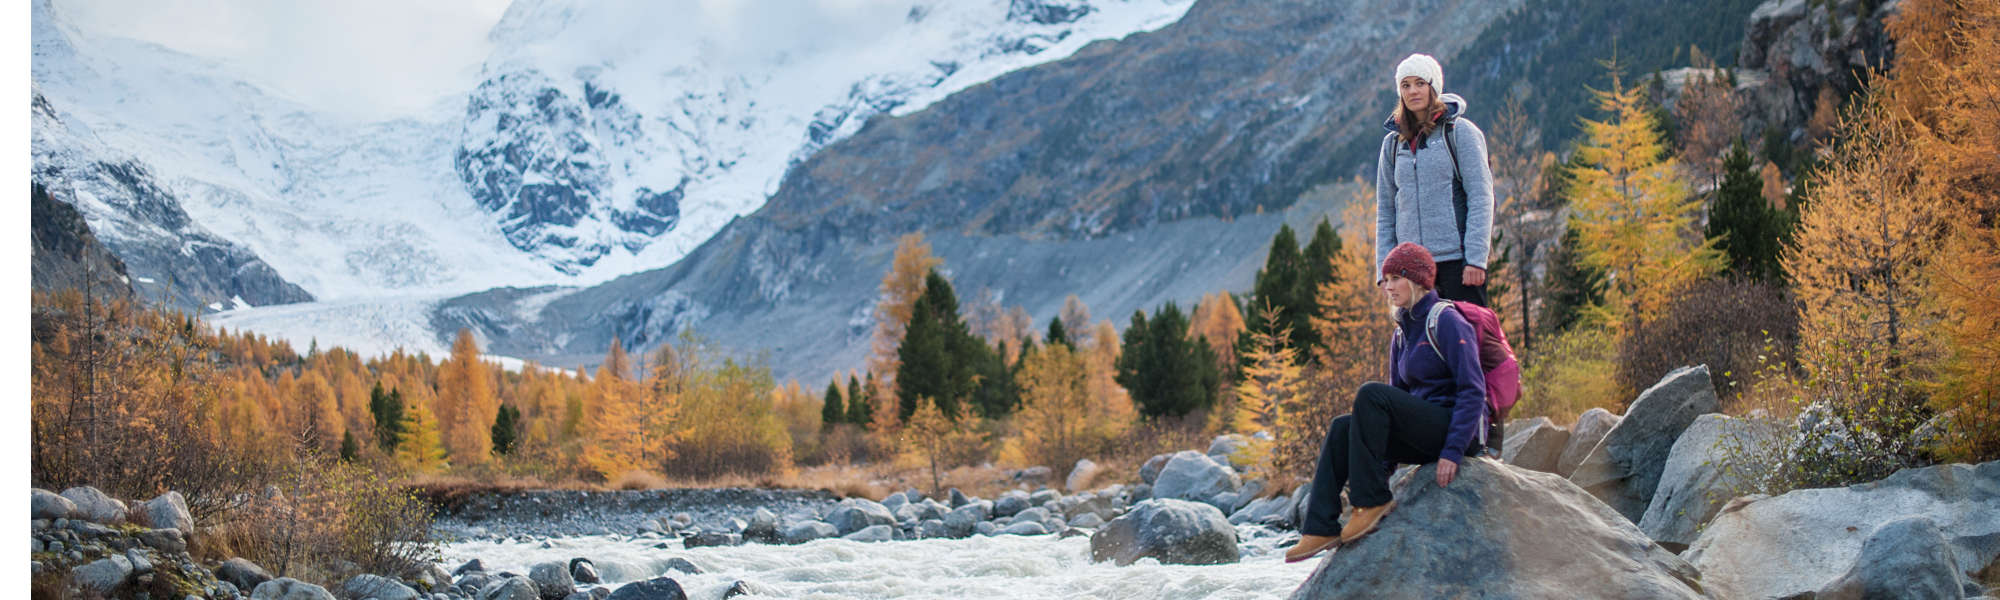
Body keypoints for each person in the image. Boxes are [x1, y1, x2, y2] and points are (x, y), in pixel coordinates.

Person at [1283, 242, 1488, 563]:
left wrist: (1453, 451)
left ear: (1418, 280)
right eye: (1385, 280)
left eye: (1395, 278)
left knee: (1370, 393)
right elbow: (1396, 403)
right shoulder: (1402, 332)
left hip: (1455, 429)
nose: (1387, 287)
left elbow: (1473, 390)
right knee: (1341, 428)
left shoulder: (1446, 320)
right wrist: (1384, 461)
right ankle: (1320, 525)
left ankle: (1372, 501)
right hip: (1423, 431)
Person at [1375, 53, 1495, 307]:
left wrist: (1475, 259)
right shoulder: (1392, 145)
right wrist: (1385, 271)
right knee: (1420, 345)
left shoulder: (1460, 133)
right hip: (1411, 270)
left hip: (1457, 263)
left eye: (1420, 83)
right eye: (1405, 85)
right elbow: (1386, 210)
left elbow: (1481, 197)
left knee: (1466, 341)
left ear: (1434, 88)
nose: (1413, 91)